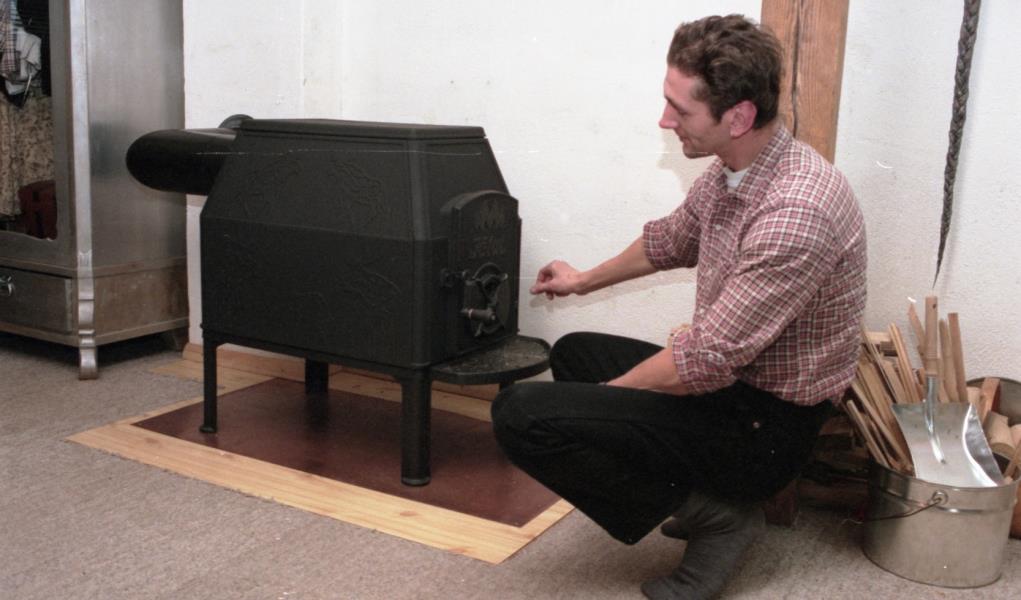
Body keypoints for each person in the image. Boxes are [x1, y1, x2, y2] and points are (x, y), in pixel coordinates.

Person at [490, 14, 867, 600]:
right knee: (575, 353)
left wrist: (604, 404)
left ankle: (721, 517)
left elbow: (702, 361)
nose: (665, 121)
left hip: (766, 431)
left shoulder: (795, 213)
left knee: (521, 414)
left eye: (679, 109)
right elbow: (670, 239)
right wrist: (582, 280)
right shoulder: (736, 170)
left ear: (737, 117)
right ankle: (694, 497)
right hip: (735, 390)